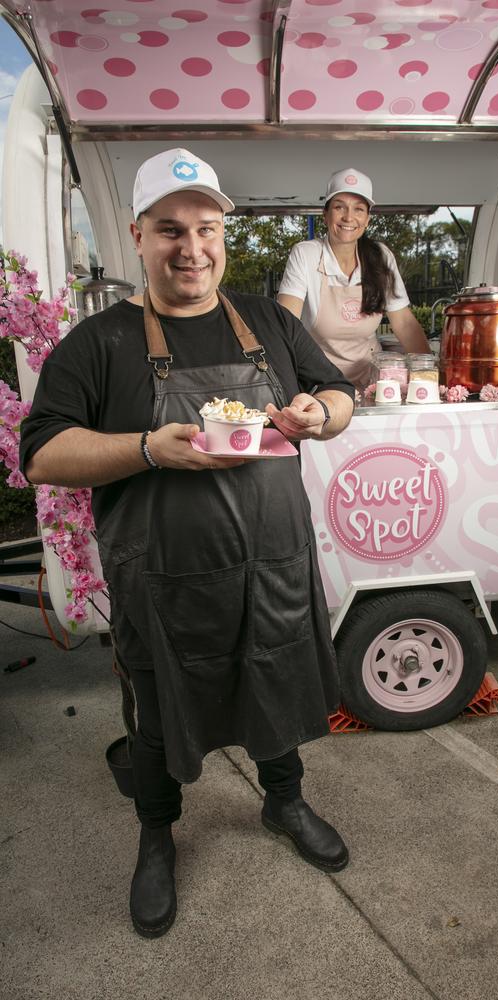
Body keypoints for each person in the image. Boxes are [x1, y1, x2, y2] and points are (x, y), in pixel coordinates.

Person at [19, 148, 355, 939]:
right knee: (158, 708)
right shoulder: (97, 343)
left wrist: (320, 414)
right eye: (171, 229)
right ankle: (156, 834)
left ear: (223, 235)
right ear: (138, 236)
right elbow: (40, 454)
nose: (192, 248)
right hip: (165, 580)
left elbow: (339, 394)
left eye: (206, 228)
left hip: (270, 565)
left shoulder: (267, 320)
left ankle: (284, 800)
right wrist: (144, 448)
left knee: (272, 675)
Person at [277, 167, 430, 391]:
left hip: (373, 381)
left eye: (358, 209)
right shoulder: (306, 254)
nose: (349, 217)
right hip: (319, 381)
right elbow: (285, 323)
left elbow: (405, 323)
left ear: (367, 218)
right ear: (326, 213)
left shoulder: (381, 256)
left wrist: (428, 376)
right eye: (340, 207)